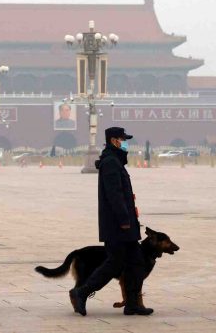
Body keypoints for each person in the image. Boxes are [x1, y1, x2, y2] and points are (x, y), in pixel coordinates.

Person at [69, 127, 152, 316]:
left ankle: (132, 303)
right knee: (114, 264)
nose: (126, 143)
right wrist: (124, 220)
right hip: (118, 226)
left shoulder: (115, 161)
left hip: (125, 226)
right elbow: (115, 195)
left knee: (136, 263)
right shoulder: (111, 163)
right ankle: (81, 292)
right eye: (123, 139)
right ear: (114, 141)